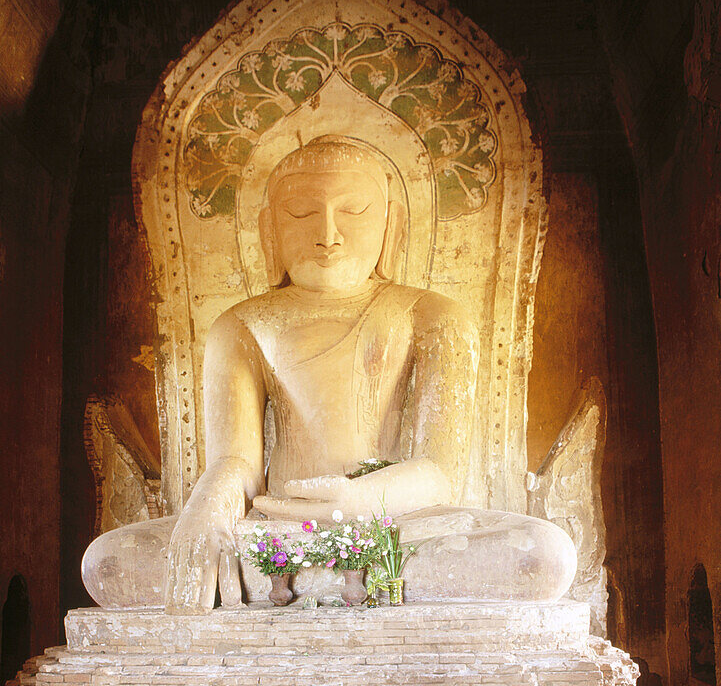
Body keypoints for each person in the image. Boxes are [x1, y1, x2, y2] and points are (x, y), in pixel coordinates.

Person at [82, 134, 576, 612]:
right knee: (108, 564)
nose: (328, 233)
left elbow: (441, 471)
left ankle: (304, 585)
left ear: (392, 224)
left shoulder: (434, 317)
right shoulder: (242, 325)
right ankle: (336, 582)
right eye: (300, 213)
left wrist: (360, 499)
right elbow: (237, 460)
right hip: (280, 527)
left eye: (354, 211)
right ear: (268, 228)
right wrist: (209, 508)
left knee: (541, 555)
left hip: (399, 524)